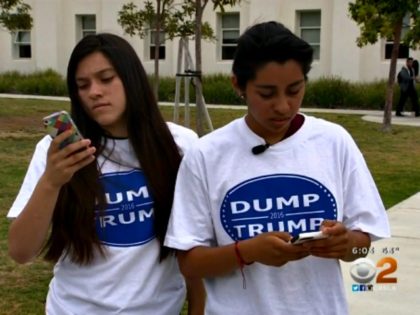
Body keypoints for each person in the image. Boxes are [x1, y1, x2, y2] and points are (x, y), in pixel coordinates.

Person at [164, 21, 390, 315]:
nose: (283, 106)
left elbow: (364, 249)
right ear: (238, 85)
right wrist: (247, 252)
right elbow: (189, 262)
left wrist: (345, 245)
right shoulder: (206, 155)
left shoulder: (334, 142)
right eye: (267, 94)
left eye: (294, 90)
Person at [7, 33, 204, 314]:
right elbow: (20, 251)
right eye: (82, 85)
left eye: (106, 78)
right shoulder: (57, 151)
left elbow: (192, 244)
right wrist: (51, 183)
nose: (94, 92)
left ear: (131, 78)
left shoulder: (180, 145)